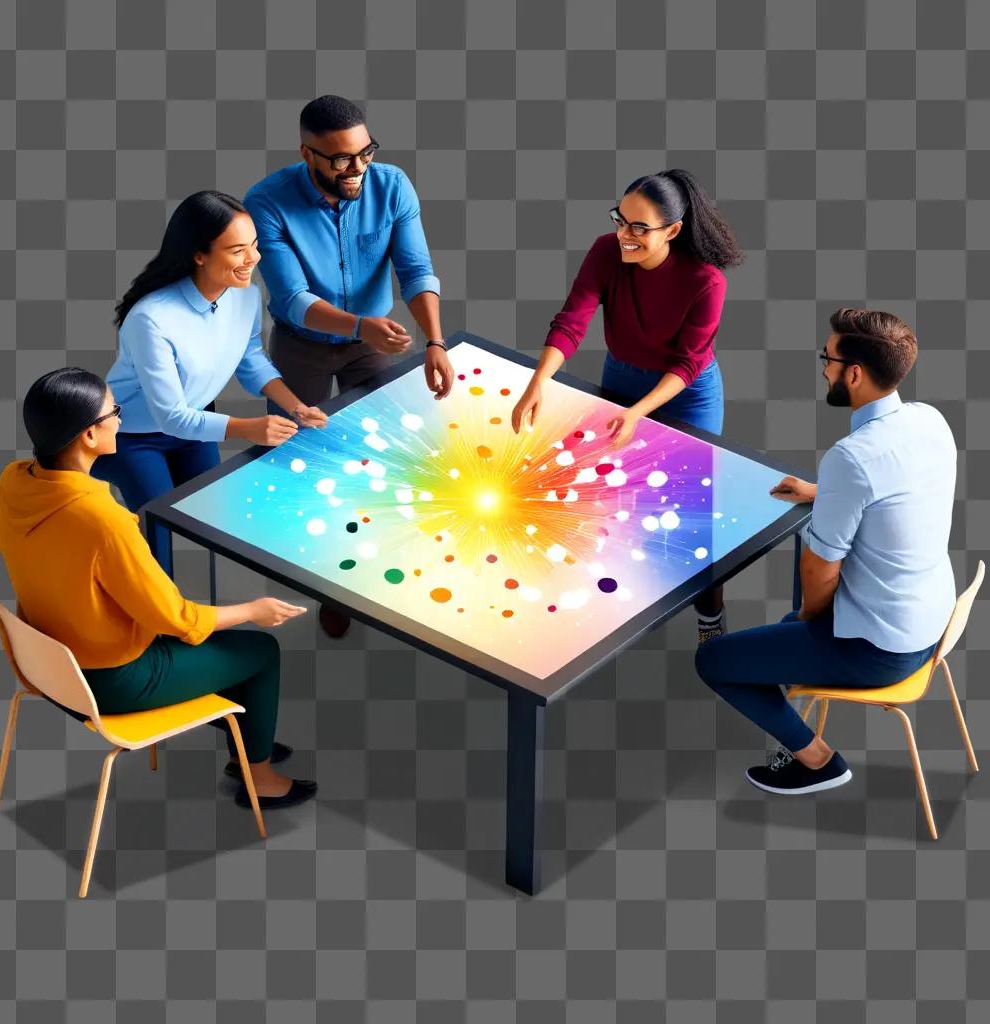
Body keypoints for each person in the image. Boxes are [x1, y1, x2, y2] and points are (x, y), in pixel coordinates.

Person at [0, 369, 317, 809]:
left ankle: (246, 735)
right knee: (259, 653)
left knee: (217, 645)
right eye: (114, 412)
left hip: (52, 666)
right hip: (112, 680)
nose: (121, 421)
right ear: (89, 434)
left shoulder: (15, 483)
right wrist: (254, 609)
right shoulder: (102, 521)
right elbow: (174, 617)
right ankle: (258, 776)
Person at [696, 309, 956, 796]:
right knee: (808, 544)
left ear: (853, 373)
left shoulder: (851, 457)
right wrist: (825, 493)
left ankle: (817, 761)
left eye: (828, 358)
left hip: (880, 651)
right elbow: (900, 493)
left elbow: (819, 572)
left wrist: (804, 619)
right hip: (933, 620)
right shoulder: (930, 421)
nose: (823, 369)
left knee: (713, 662)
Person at [244, 94, 455, 637]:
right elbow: (290, 296)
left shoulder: (392, 185)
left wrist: (434, 341)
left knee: (390, 456)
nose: (357, 168)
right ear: (307, 153)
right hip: (303, 345)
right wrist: (361, 324)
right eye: (340, 159)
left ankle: (365, 577)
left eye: (365, 153)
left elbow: (416, 268)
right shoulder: (266, 200)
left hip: (372, 346)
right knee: (305, 466)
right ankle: (326, 583)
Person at [510, 169, 743, 645]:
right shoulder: (606, 251)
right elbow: (573, 318)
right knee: (615, 495)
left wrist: (639, 412)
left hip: (686, 392)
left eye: (639, 228)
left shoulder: (706, 281)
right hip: (621, 376)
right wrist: (539, 381)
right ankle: (616, 600)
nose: (624, 234)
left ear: (672, 231)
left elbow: (689, 361)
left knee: (694, 512)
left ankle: (710, 611)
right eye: (621, 219)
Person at [94, 190, 327, 577]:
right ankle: (158, 625)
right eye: (237, 250)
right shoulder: (150, 318)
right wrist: (249, 429)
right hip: (132, 436)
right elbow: (170, 417)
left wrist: (294, 405)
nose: (253, 259)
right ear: (199, 254)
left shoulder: (246, 294)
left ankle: (200, 611)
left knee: (213, 516)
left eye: (254, 245)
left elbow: (250, 358)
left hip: (197, 424)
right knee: (159, 531)